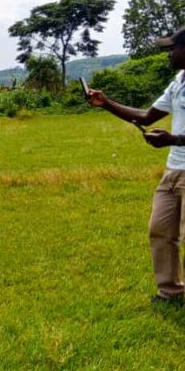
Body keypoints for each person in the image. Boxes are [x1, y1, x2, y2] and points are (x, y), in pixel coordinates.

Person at [87, 27, 185, 304]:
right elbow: (145, 116)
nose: (168, 54)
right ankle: (171, 290)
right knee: (160, 230)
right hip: (173, 170)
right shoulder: (179, 81)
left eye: (172, 48)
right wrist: (105, 103)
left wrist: (174, 139)